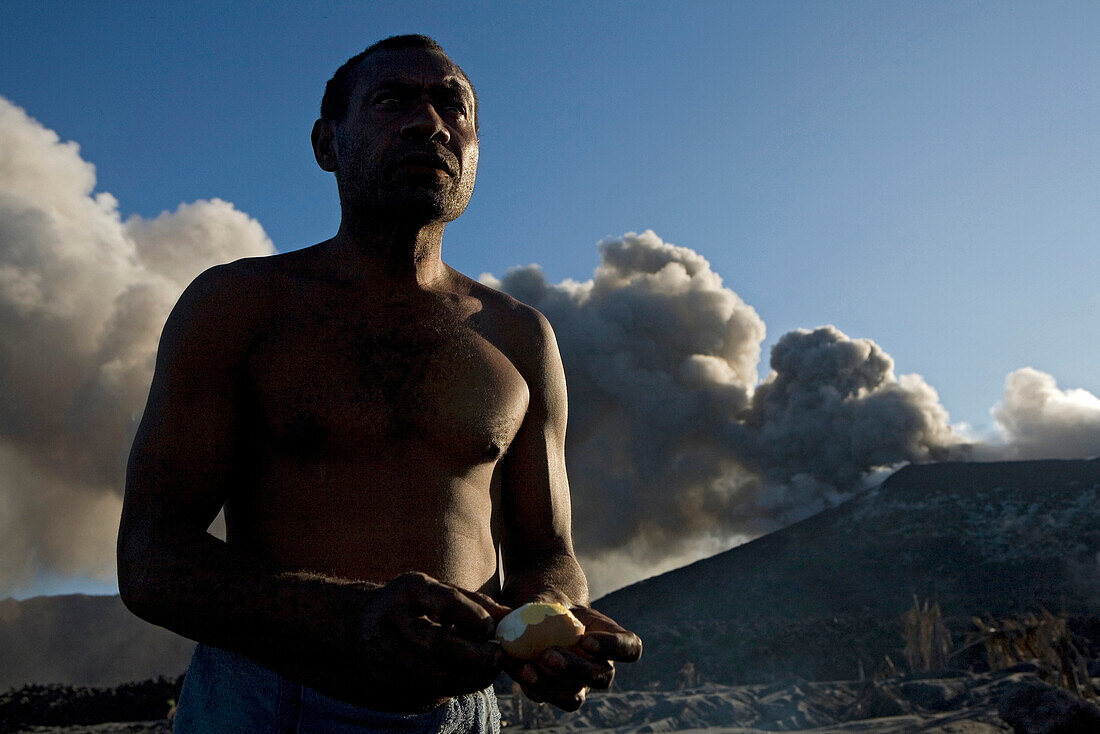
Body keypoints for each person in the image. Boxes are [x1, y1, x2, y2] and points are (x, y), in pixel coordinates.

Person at [116, 34, 642, 732]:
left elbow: (547, 552)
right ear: (327, 144)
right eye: (393, 100)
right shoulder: (238, 305)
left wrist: (553, 623)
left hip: (464, 715)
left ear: (475, 149)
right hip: (267, 705)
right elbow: (152, 559)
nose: (430, 123)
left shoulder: (518, 337)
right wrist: (348, 618)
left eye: (453, 106)